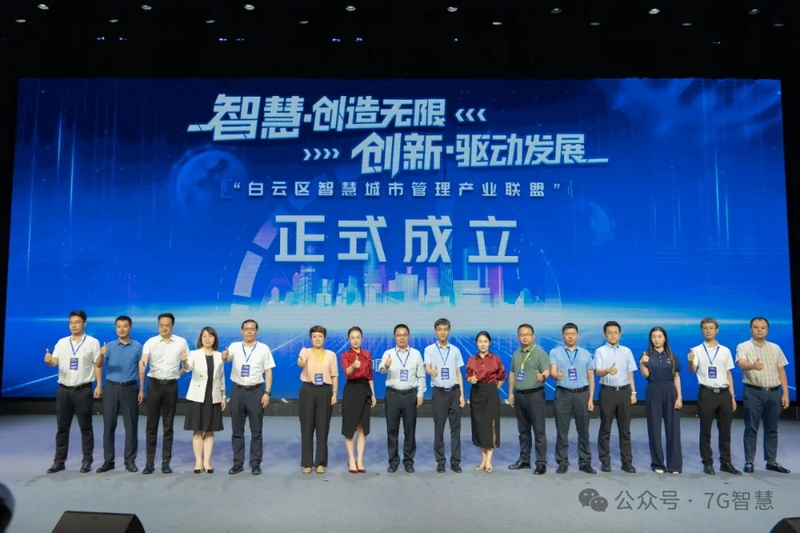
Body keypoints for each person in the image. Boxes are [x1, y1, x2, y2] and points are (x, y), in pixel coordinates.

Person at [44, 310, 102, 474]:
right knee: (62, 428)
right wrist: (48, 361)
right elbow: (54, 362)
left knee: (85, 427)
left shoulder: (93, 342)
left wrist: (99, 385)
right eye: (71, 322)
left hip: (83, 390)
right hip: (63, 390)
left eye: (77, 322)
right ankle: (59, 461)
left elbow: (97, 365)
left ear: (84, 323)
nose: (73, 325)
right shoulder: (62, 342)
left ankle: (87, 461)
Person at [735, 317, 791, 474]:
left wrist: (785, 393)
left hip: (774, 393)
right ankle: (749, 461)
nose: (759, 330)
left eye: (763, 327)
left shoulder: (775, 348)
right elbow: (742, 364)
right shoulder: (743, 346)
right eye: (756, 327)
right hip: (753, 392)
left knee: (772, 429)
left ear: (767, 330)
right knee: (751, 428)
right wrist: (753, 365)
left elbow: (781, 371)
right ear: (750, 329)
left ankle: (771, 461)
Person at [138, 312, 190, 475]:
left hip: (171, 387)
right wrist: (141, 385)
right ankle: (149, 462)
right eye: (161, 325)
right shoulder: (151, 342)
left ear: (172, 326)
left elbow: (187, 367)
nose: (164, 328)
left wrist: (181, 367)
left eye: (167, 325)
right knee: (151, 426)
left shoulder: (181, 342)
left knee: (168, 426)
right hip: (154, 386)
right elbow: (143, 362)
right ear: (158, 326)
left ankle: (166, 462)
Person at [222, 319, 275, 475]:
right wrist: (224, 356)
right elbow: (227, 358)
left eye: (252, 329)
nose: (249, 331)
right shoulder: (234, 346)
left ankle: (255, 463)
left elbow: (268, 371)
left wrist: (267, 392)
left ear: (256, 331)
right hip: (238, 391)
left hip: (256, 392)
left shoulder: (264, 348)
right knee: (237, 429)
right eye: (246, 329)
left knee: (256, 430)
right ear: (242, 331)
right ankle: (238, 463)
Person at [689, 317, 741, 475]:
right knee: (705, 431)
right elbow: (692, 370)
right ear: (701, 330)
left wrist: (732, 395)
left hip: (724, 394)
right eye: (705, 328)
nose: (708, 331)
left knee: (725, 431)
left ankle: (726, 463)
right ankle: (708, 463)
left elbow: (728, 373)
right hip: (707, 393)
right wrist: (691, 361)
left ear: (716, 330)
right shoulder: (696, 350)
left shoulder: (725, 350)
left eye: (711, 328)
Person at [97, 315, 143, 474]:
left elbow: (141, 368)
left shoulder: (137, 346)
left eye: (125, 326)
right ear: (115, 328)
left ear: (130, 327)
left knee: (131, 426)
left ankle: (130, 461)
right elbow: (98, 364)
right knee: (109, 425)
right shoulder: (109, 346)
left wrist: (141, 389)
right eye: (118, 326)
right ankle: (108, 461)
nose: (121, 329)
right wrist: (101, 354)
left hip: (130, 388)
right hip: (111, 388)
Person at [549, 322, 596, 474]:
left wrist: (590, 398)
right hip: (563, 394)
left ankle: (585, 462)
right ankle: (562, 462)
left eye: (573, 334)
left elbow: (591, 377)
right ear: (563, 335)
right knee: (562, 431)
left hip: (582, 394)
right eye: (567, 334)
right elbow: (553, 371)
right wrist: (556, 376)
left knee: (584, 431)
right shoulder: (555, 352)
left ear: (577, 335)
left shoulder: (586, 354)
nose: (570, 336)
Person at [379, 323, 426, 473]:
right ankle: (393, 461)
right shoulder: (388, 353)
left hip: (410, 395)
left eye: (404, 335)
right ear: (395, 337)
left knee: (410, 430)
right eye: (399, 335)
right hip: (392, 395)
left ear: (408, 337)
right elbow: (381, 370)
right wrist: (386, 366)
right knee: (392, 430)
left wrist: (420, 394)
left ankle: (408, 461)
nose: (402, 338)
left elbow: (421, 376)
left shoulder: (416, 354)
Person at [594, 320, 638, 473]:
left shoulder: (626, 351)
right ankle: (605, 461)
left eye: (615, 333)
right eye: (609, 333)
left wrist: (633, 392)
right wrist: (607, 370)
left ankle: (627, 462)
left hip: (624, 392)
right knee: (605, 428)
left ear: (620, 334)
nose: (613, 335)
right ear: (604, 334)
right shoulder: (600, 351)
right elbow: (598, 372)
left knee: (625, 430)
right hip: (607, 392)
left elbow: (630, 373)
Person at [423, 318, 465, 473]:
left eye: (445, 329)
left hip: (454, 392)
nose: (442, 332)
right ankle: (440, 461)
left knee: (456, 429)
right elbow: (427, 367)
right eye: (439, 329)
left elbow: (458, 373)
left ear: (449, 331)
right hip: (439, 393)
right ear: (435, 331)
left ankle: (455, 462)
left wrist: (461, 394)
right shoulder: (429, 349)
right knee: (439, 429)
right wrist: (431, 371)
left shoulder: (455, 350)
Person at [639, 326, 683, 474]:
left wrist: (679, 397)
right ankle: (658, 464)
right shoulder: (646, 355)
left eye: (659, 336)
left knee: (673, 429)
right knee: (654, 428)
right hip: (653, 390)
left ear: (664, 338)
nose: (656, 339)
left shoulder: (672, 356)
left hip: (670, 391)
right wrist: (642, 363)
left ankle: (675, 465)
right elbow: (646, 375)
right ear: (650, 339)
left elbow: (676, 377)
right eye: (653, 337)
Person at [182, 327, 226, 474]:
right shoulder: (194, 354)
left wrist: (223, 396)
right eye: (204, 336)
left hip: (213, 396)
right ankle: (198, 462)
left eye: (210, 336)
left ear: (215, 339)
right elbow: (188, 368)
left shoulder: (219, 356)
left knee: (209, 430)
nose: (207, 339)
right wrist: (184, 361)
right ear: (201, 339)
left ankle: (207, 461)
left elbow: (221, 377)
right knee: (197, 430)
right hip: (197, 396)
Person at [508, 323, 550, 474]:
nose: (524, 337)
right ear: (518, 337)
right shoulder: (516, 354)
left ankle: (541, 463)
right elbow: (513, 373)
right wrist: (510, 392)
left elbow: (547, 370)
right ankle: (524, 460)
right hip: (519, 396)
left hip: (535, 395)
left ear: (533, 336)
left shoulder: (540, 353)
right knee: (523, 431)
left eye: (527, 334)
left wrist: (543, 376)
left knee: (539, 431)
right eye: (521, 335)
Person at [297, 325, 338, 474]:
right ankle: (307, 463)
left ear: (324, 338)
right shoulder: (305, 351)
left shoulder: (331, 355)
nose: (317, 339)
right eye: (314, 337)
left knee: (323, 427)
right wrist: (301, 362)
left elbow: (334, 375)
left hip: (325, 391)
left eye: (320, 336)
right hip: (308, 390)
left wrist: (334, 393)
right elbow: (300, 363)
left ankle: (320, 462)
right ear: (311, 338)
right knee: (307, 427)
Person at [466, 331, 506, 473]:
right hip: (477, 393)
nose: (482, 344)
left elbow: (502, 376)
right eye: (480, 342)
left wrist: (493, 389)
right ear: (476, 343)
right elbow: (468, 376)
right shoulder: (472, 359)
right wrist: (471, 380)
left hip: (491, 393)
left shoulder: (496, 359)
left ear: (489, 343)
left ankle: (489, 460)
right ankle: (483, 460)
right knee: (480, 425)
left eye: (485, 341)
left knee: (491, 425)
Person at [340, 326, 376, 474]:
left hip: (365, 390)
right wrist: (354, 367)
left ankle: (359, 459)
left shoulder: (367, 354)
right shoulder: (345, 355)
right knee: (350, 427)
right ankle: (351, 458)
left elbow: (370, 376)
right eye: (352, 338)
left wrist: (373, 394)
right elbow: (347, 372)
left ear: (362, 338)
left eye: (358, 337)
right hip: (351, 391)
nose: (355, 340)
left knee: (362, 427)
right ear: (349, 340)